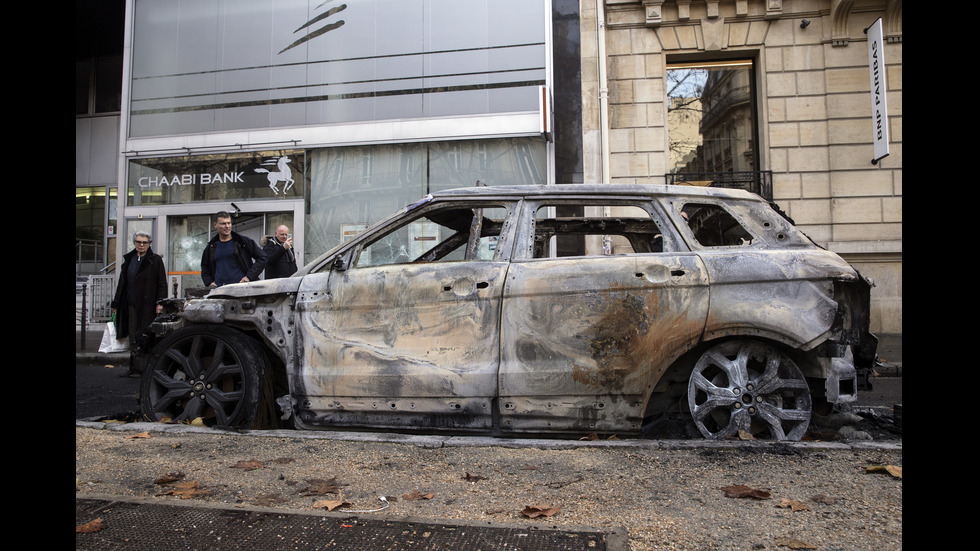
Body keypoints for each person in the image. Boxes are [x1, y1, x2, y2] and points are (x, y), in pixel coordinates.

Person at [111, 231, 168, 377]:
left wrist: (160, 303)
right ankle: (134, 367)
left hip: (147, 305)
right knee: (132, 335)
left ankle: (145, 369)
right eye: (138, 242)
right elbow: (121, 284)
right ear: (134, 243)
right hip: (129, 304)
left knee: (145, 335)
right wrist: (116, 303)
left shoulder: (154, 260)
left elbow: (162, 283)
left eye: (144, 243)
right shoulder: (129, 260)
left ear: (149, 244)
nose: (141, 245)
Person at [200, 211, 267, 287]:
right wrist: (209, 282)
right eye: (223, 224)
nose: (227, 226)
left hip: (241, 289)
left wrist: (249, 277)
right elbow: (205, 267)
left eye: (229, 223)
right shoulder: (211, 247)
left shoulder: (242, 242)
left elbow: (262, 257)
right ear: (215, 225)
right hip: (219, 290)